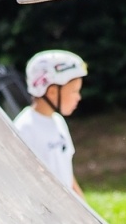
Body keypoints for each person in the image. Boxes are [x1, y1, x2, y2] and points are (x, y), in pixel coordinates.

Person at [12, 49, 89, 194]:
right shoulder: (24, 128)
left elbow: (66, 171)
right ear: (52, 91)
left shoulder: (58, 121)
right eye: (74, 91)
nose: (78, 97)